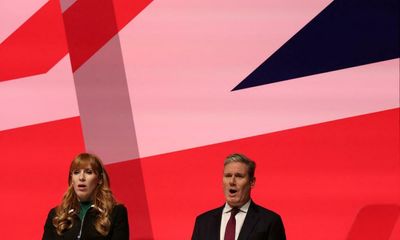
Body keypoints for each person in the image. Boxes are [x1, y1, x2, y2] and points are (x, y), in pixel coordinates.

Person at [192, 153, 286, 240]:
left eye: (239, 176)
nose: (232, 181)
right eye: (228, 176)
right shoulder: (203, 222)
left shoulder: (270, 221)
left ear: (252, 182)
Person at [42, 153, 129, 240]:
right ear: (72, 179)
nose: (81, 177)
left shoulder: (116, 212)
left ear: (100, 179)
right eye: (76, 172)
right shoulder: (56, 214)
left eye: (88, 172)